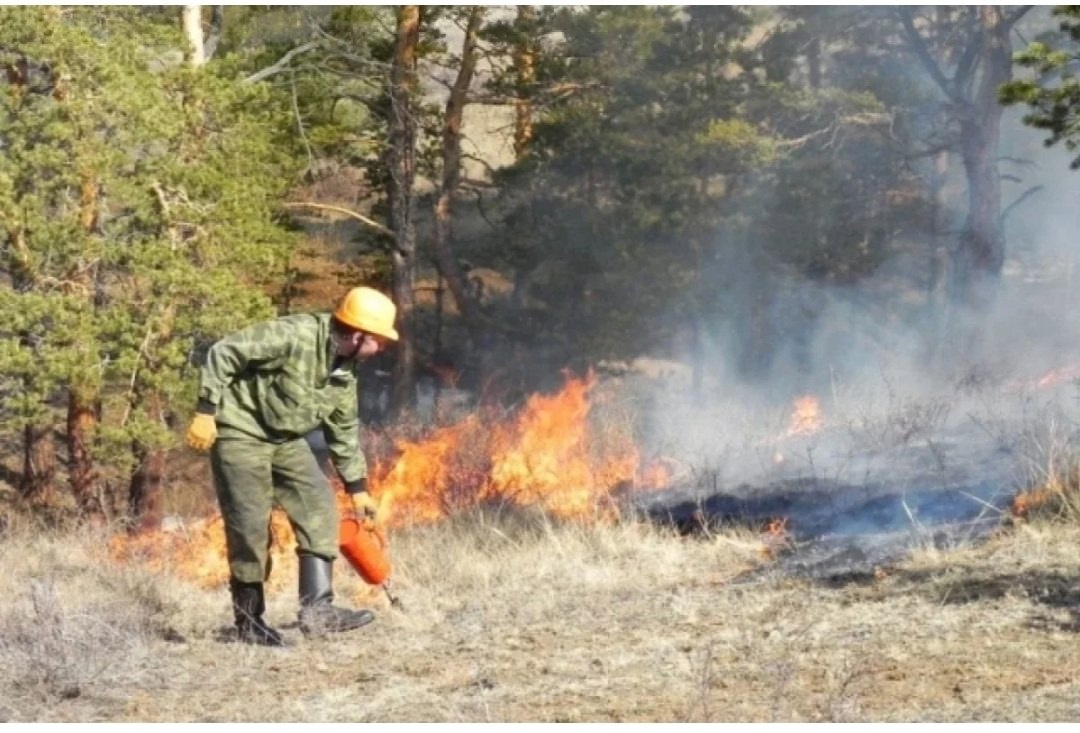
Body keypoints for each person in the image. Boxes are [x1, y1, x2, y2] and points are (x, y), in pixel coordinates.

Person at [184, 286, 398, 647]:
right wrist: (206, 410)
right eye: (380, 340)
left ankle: (318, 612)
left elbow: (343, 430)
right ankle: (249, 622)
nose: (383, 349)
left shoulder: (346, 371)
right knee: (250, 526)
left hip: (284, 439)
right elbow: (225, 352)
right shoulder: (294, 334)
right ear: (358, 334)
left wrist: (358, 489)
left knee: (318, 505)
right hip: (240, 429)